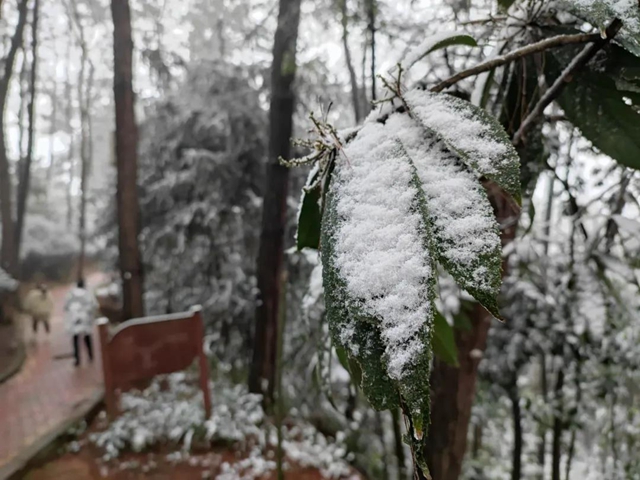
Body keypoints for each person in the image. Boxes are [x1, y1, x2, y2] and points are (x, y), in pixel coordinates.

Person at [64, 279, 98, 366]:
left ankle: (77, 359)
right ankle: (90, 355)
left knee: (75, 338)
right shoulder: (87, 293)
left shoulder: (71, 294)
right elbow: (94, 305)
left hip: (74, 319)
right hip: (85, 318)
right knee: (87, 337)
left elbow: (66, 306)